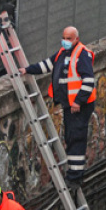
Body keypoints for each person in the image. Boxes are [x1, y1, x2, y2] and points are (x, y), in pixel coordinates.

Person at [21, 26, 96, 184]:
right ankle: (73, 173)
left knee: (76, 138)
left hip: (78, 106)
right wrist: (27, 69)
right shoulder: (63, 53)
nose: (65, 41)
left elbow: (89, 81)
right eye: (64, 37)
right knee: (70, 137)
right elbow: (46, 65)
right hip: (70, 105)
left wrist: (78, 101)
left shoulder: (82, 54)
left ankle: (75, 178)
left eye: (69, 38)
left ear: (76, 39)